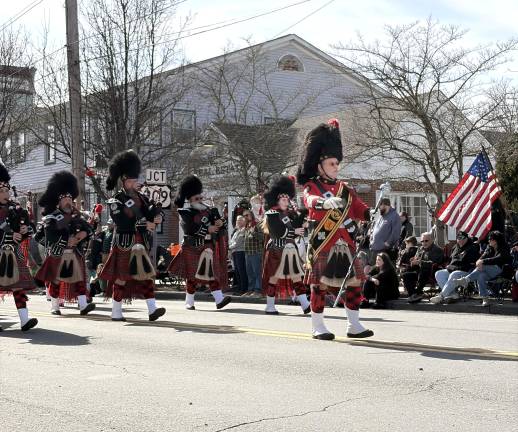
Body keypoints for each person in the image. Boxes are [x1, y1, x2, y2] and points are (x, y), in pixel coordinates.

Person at [297, 118, 373, 340]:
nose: (336, 167)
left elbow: (358, 207)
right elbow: (309, 200)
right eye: (332, 163)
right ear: (319, 165)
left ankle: (354, 325)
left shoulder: (344, 188)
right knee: (319, 286)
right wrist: (323, 203)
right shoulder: (313, 186)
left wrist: (370, 214)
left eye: (337, 163)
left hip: (345, 243)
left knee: (355, 284)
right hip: (323, 241)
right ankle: (318, 326)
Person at [99, 150, 165, 322]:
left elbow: (149, 215)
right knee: (121, 278)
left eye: (136, 180)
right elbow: (121, 222)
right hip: (124, 243)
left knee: (145, 276)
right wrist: (146, 224)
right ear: (123, 181)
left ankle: (152, 309)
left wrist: (157, 217)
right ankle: (116, 311)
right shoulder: (116, 201)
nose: (135, 183)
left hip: (141, 243)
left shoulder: (143, 199)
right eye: (131, 181)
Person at [34, 171, 95, 317]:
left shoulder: (76, 216)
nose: (69, 201)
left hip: (74, 253)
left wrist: (83, 234)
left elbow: (89, 229)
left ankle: (83, 305)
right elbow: (48, 235)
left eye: (70, 198)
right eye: (65, 199)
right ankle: (55, 306)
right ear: (59, 201)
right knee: (55, 280)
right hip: (57, 252)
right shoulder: (52, 217)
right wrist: (66, 241)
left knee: (79, 279)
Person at [168, 175, 231, 310]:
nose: (200, 200)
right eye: (197, 198)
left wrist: (220, 223)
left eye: (201, 198)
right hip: (192, 246)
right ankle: (189, 302)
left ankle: (219, 300)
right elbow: (188, 228)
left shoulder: (209, 211)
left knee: (211, 273)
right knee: (192, 276)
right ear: (190, 200)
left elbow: (221, 228)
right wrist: (207, 228)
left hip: (208, 246)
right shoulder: (186, 212)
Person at [261, 176, 310, 315]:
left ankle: (305, 304)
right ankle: (270, 306)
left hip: (290, 249)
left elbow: (294, 229)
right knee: (274, 277)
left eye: (287, 199)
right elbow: (278, 232)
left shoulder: (288, 213)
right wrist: (294, 231)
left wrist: (303, 216)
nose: (286, 201)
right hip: (277, 249)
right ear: (276, 199)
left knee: (296, 276)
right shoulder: (271, 214)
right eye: (283, 199)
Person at [0, 163, 38, 331]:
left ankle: (24, 320)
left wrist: (23, 230)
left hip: (13, 252)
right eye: (1, 191)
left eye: (6, 190)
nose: (5, 194)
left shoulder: (13, 209)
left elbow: (29, 229)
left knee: (18, 286)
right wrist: (6, 234)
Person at [456, 230, 512, 306]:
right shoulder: (490, 247)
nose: (489, 241)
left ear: (496, 240)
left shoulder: (504, 247)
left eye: (490, 239)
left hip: (501, 270)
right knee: (480, 276)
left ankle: (466, 280)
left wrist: (483, 262)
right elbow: (483, 256)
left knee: (483, 265)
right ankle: (485, 299)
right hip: (489, 272)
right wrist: (479, 260)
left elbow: (499, 258)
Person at [430, 231, 480, 304]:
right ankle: (453, 294)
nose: (461, 240)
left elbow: (471, 264)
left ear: (467, 238)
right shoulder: (455, 247)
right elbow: (450, 260)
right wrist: (448, 265)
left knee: (454, 274)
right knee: (439, 273)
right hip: (453, 269)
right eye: (459, 238)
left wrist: (455, 268)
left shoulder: (472, 248)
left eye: (463, 238)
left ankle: (441, 296)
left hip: (466, 272)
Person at [402, 232, 444, 303]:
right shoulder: (420, 249)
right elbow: (416, 259)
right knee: (406, 275)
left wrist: (420, 262)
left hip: (431, 272)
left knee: (424, 269)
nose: (424, 243)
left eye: (426, 241)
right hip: (419, 271)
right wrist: (413, 262)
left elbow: (434, 263)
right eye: (422, 241)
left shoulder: (437, 250)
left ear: (432, 240)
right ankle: (413, 295)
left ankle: (418, 292)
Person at [369, 198, 401, 263]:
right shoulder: (381, 216)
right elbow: (375, 229)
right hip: (374, 249)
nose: (379, 209)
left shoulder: (394, 216)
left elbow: (396, 232)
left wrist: (388, 243)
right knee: (374, 271)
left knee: (385, 271)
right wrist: (371, 240)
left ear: (386, 205)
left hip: (385, 250)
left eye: (380, 207)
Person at [243, 209, 263, 297]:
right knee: (249, 272)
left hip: (256, 252)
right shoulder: (247, 225)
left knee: (257, 272)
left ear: (251, 215)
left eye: (247, 215)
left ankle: (258, 290)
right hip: (248, 253)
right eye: (244, 216)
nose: (245, 217)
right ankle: (250, 289)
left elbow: (263, 237)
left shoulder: (257, 224)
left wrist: (253, 232)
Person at [229, 215, 248, 295]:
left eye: (240, 220)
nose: (238, 221)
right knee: (237, 271)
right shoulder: (236, 231)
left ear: (244, 221)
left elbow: (237, 242)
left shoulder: (244, 230)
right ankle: (239, 288)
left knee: (241, 271)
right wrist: (231, 246)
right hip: (235, 252)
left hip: (240, 252)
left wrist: (229, 247)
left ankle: (243, 289)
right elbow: (232, 241)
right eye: (237, 220)